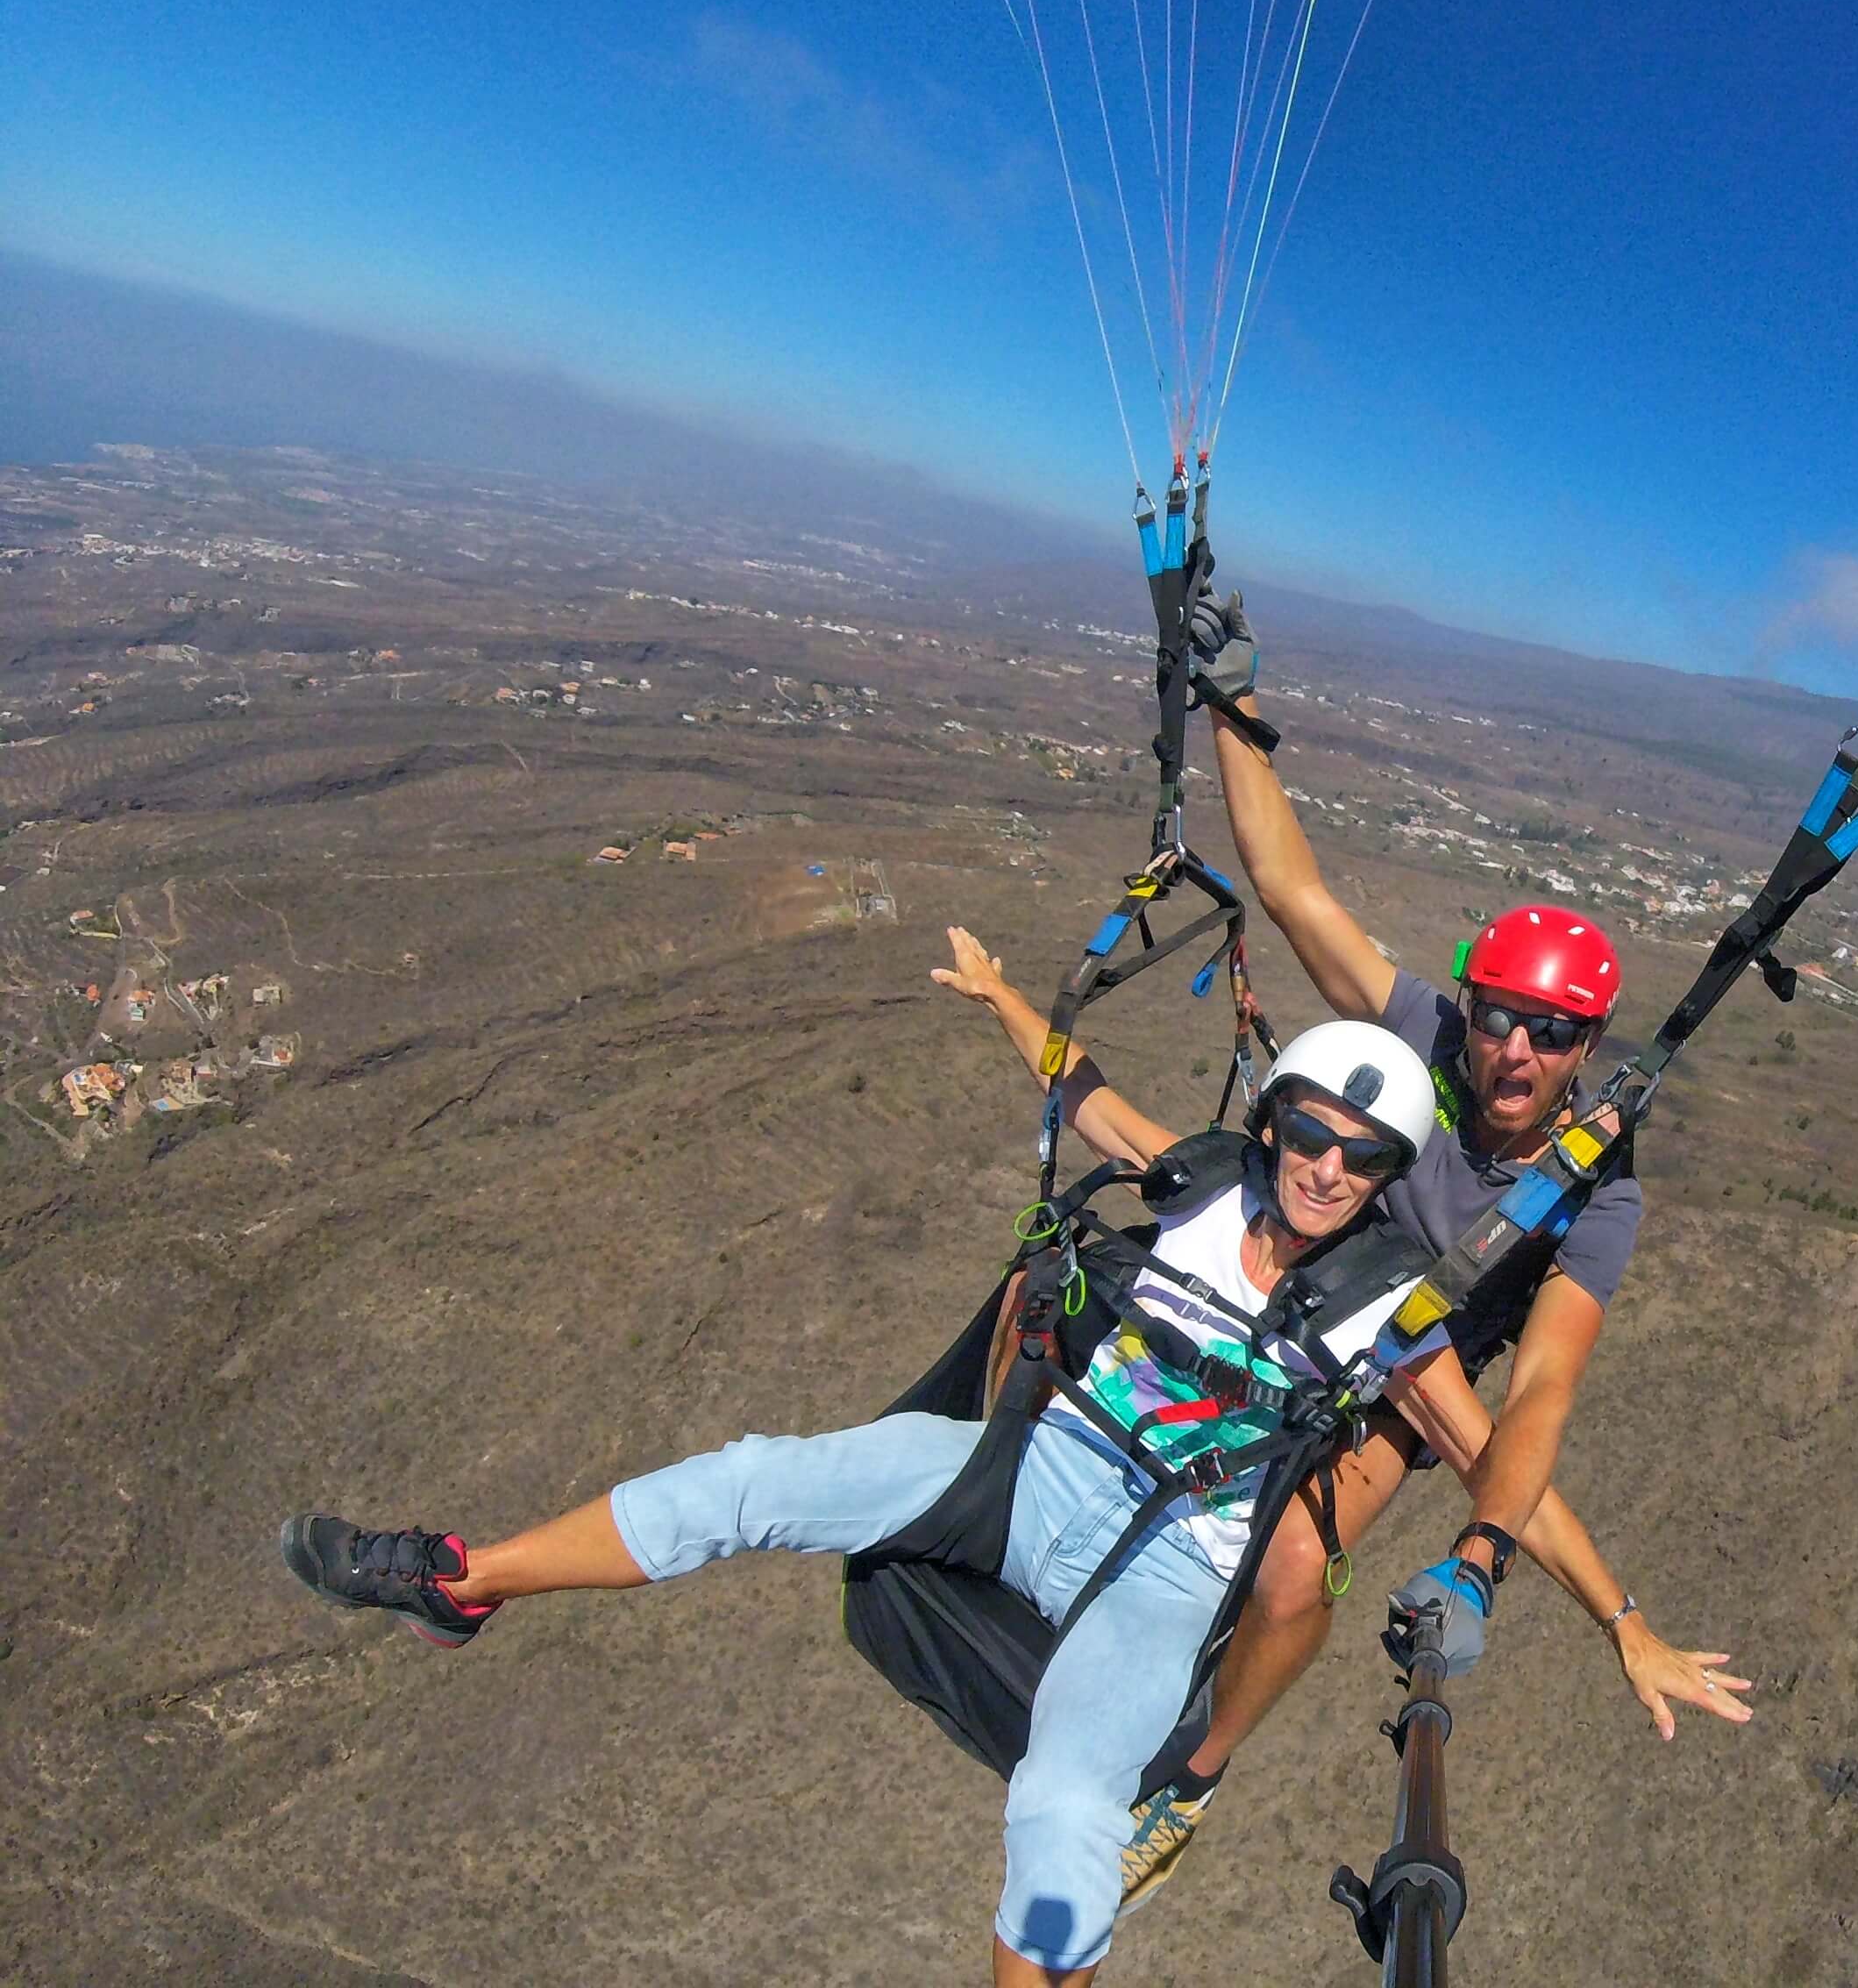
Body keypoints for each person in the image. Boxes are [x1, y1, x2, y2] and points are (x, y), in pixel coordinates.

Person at [280, 952, 1512, 1988]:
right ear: (1275, 1123)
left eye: (1362, 1161)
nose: (1325, 1171)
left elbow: (1498, 1466)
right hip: (1037, 1470)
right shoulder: (1200, 1191)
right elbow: (1085, 1097)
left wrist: (1604, 1616)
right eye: (1308, 1135)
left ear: (1389, 1179)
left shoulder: (1384, 1309)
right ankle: (464, 1581)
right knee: (759, 1480)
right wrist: (1002, 1000)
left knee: (1073, 1807)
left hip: (1168, 1569)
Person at [1109, 583, 1755, 1900]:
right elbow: (1292, 892)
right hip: (1296, 1277)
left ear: (1588, 1049)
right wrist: (1233, 706)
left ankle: (1189, 1778)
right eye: (1499, 1014)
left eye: (1553, 1030)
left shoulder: (1595, 1197)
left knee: (1278, 1566)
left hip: (1404, 1377)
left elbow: (1535, 1399)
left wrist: (1578, 1605)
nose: (1515, 1048)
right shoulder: (1420, 1035)